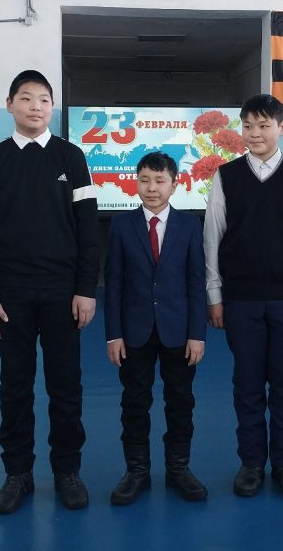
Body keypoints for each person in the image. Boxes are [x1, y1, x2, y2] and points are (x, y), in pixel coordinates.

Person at [0, 69, 99, 515]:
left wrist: (86, 289)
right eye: (26, 98)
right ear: (10, 105)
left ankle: (67, 471)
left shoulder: (71, 157)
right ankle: (17, 473)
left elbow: (88, 229)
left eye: (44, 99)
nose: (36, 107)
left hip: (63, 292)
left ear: (52, 107)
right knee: (15, 387)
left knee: (66, 387)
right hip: (12, 294)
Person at [203, 94, 283, 500]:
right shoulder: (226, 176)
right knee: (247, 382)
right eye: (247, 126)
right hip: (240, 299)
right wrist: (214, 293)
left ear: (281, 128)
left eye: (263, 125)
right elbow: (212, 238)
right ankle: (251, 463)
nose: (254, 134)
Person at [104, 151, 208, 505]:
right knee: (134, 402)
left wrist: (197, 334)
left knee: (181, 401)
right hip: (134, 331)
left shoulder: (189, 225)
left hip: (178, 331)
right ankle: (137, 472)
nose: (152, 188)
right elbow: (113, 284)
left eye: (160, 181)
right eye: (145, 180)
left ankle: (179, 470)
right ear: (136, 183)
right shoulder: (121, 225)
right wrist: (114, 334)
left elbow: (196, 283)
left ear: (174, 185)